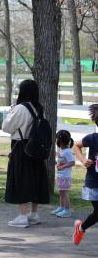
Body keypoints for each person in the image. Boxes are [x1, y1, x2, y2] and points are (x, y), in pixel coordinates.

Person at [2, 79, 50, 228]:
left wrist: (11, 111)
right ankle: (34, 214)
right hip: (36, 148)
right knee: (35, 179)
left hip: (21, 147)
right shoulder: (39, 108)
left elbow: (6, 127)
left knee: (21, 179)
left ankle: (23, 216)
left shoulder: (20, 108)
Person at [72, 104, 98, 245]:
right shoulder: (93, 138)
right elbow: (76, 146)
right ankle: (80, 228)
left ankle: (81, 228)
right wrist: (83, 160)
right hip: (94, 183)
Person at [51, 130, 75, 218]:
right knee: (61, 193)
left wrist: (63, 167)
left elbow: (72, 162)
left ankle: (67, 210)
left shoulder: (68, 151)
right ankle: (61, 207)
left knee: (65, 193)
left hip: (65, 176)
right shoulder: (62, 150)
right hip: (61, 176)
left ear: (59, 141)